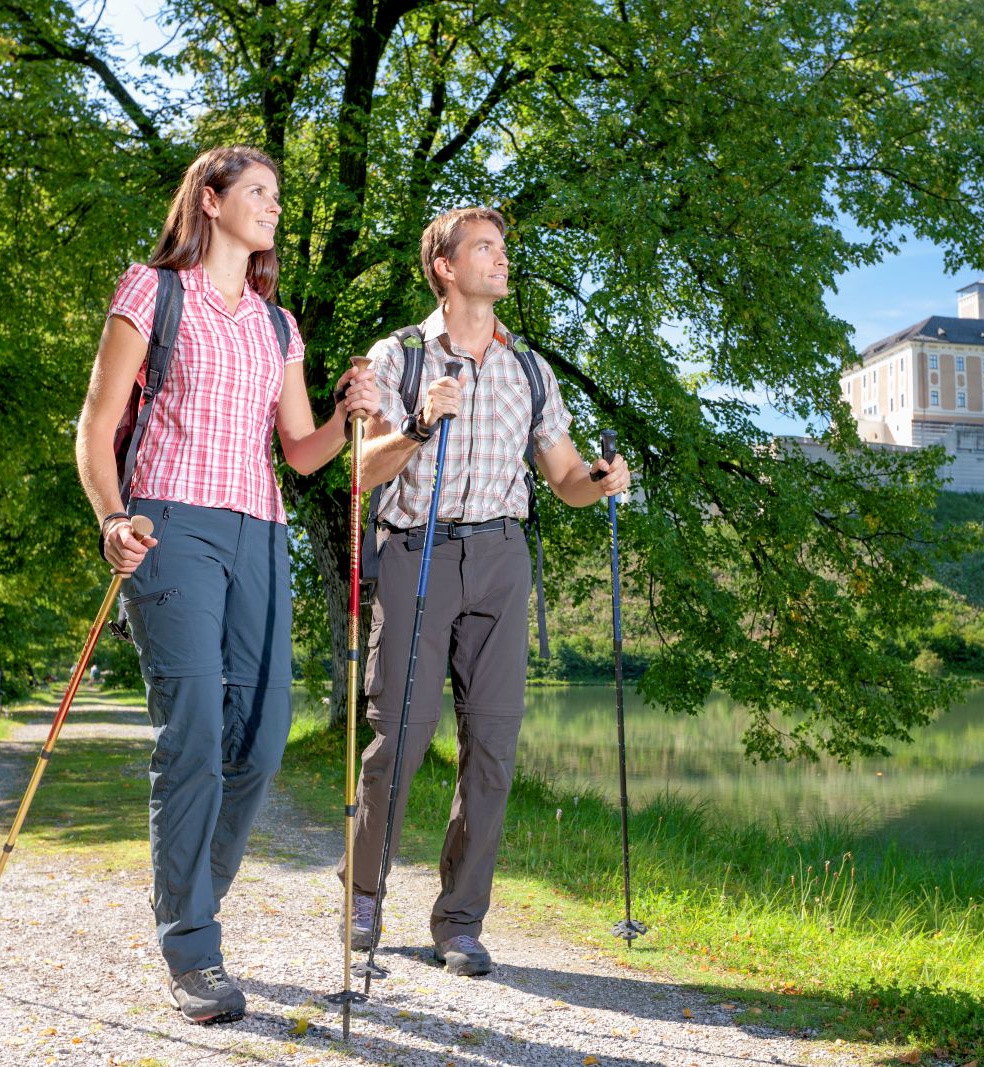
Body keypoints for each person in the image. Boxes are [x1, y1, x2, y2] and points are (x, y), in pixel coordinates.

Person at [73, 145, 381, 1023]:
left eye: (278, 195)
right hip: (170, 523)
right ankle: (193, 948)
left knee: (263, 738)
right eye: (258, 191)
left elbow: (302, 453)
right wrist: (112, 517)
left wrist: (346, 415)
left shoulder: (278, 326)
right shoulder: (152, 292)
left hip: (261, 531)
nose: (274, 205)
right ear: (210, 200)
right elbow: (96, 424)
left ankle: (185, 893)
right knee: (196, 734)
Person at [341, 206, 630, 977]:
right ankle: (363, 895)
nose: (502, 259)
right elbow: (361, 470)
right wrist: (418, 427)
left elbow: (563, 477)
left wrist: (599, 482)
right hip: (416, 552)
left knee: (494, 746)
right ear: (445, 266)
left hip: (502, 556)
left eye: (504, 248)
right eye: (485, 248)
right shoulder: (401, 355)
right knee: (400, 735)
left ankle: (461, 921)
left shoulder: (528, 368)